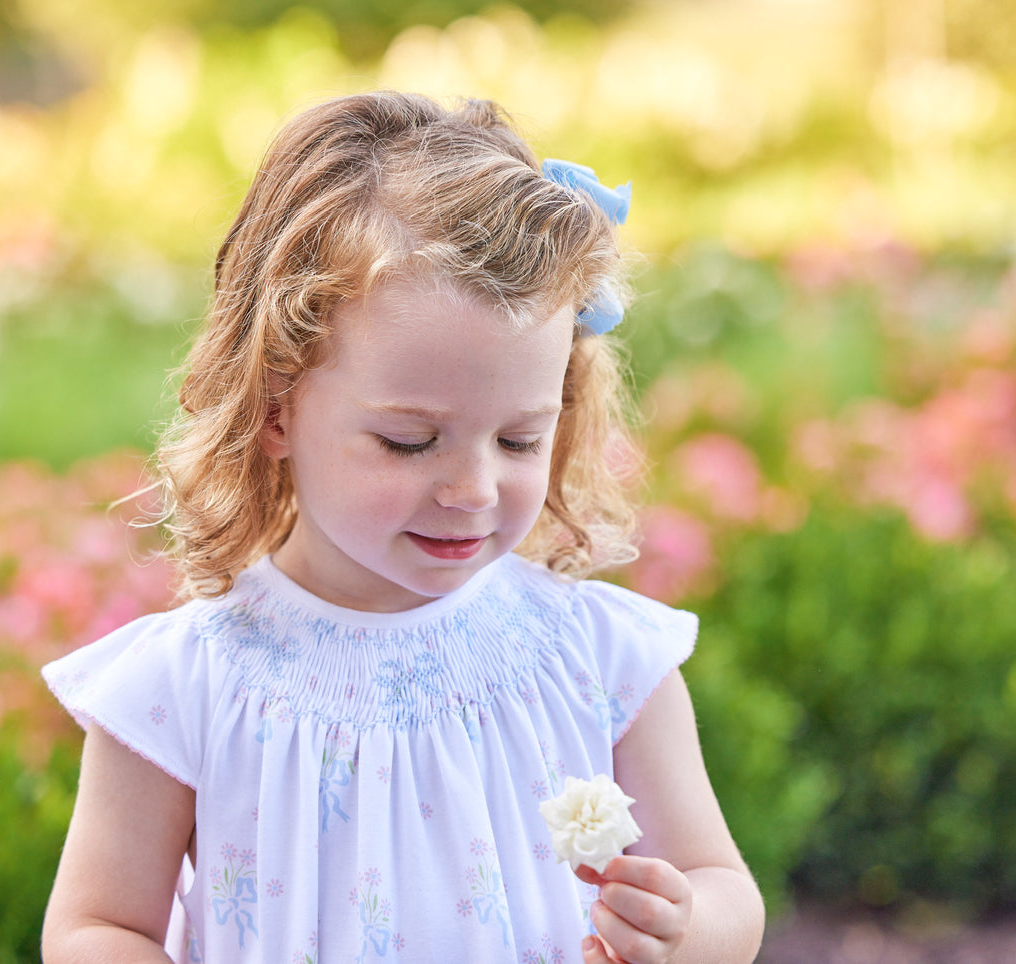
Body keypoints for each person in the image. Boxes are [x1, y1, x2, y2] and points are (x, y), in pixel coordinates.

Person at [41, 90, 764, 964]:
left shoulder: (599, 662)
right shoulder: (189, 686)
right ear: (275, 407)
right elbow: (95, 928)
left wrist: (681, 929)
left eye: (518, 439)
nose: (471, 488)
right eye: (409, 441)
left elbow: (725, 891)